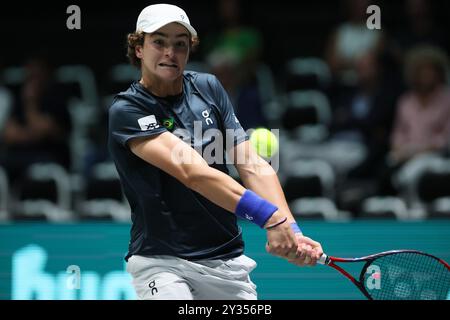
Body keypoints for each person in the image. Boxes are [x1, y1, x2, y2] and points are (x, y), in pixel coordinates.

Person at [108, 4, 323, 300]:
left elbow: (252, 165)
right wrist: (269, 219)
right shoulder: (128, 110)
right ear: (139, 48)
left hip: (227, 262)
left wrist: (292, 230)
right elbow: (192, 173)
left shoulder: (208, 88)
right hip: (162, 262)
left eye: (180, 44)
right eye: (159, 41)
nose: (170, 52)